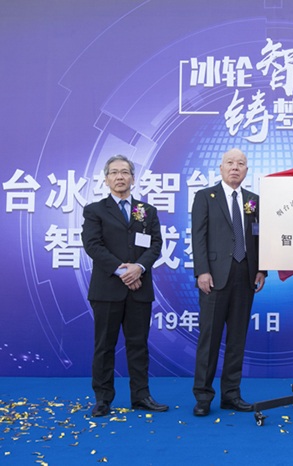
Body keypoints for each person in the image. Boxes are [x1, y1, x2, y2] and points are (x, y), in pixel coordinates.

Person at [82, 155, 168, 417]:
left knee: (138, 346)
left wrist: (138, 268)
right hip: (107, 290)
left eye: (125, 172)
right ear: (106, 179)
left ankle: (141, 396)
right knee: (104, 346)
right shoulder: (95, 210)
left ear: (133, 177)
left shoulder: (147, 210)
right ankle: (103, 399)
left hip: (139, 289)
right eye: (114, 172)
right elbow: (93, 245)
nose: (119, 177)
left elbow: (155, 245)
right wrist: (124, 271)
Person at [191, 148, 266, 417]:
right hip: (214, 276)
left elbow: (259, 236)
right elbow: (198, 236)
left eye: (241, 164)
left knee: (237, 338)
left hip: (245, 275)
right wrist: (202, 271)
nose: (235, 167)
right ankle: (203, 396)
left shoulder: (253, 200)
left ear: (247, 170)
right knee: (209, 338)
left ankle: (231, 395)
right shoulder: (205, 196)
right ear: (221, 168)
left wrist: (262, 269)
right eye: (230, 163)